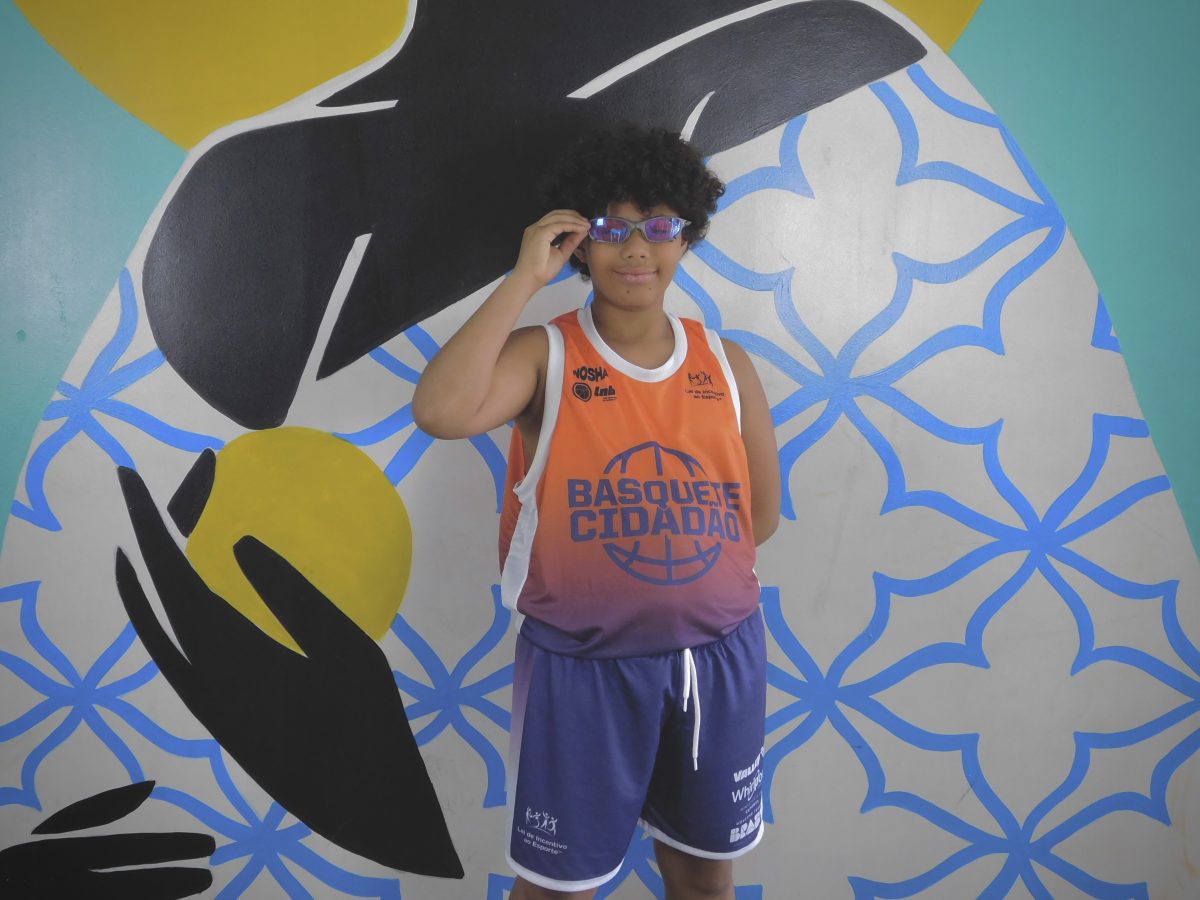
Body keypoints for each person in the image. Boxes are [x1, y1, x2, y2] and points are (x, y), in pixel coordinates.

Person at [412, 125, 780, 900]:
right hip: (582, 672)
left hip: (717, 664)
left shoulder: (726, 363)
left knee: (704, 879)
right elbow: (441, 411)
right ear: (579, 240)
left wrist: (681, 576)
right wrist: (524, 278)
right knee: (558, 889)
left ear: (687, 235)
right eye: (613, 228)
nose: (636, 248)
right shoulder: (544, 354)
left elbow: (759, 516)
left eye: (659, 226)